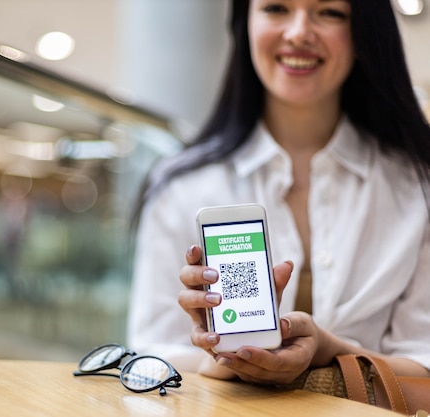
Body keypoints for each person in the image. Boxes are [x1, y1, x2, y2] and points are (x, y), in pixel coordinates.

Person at [127, 0, 430, 385]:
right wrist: (219, 360)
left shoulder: (418, 186)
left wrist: (329, 349)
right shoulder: (181, 187)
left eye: (330, 12)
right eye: (275, 8)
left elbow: (424, 365)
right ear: (245, 25)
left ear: (364, 33)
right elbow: (152, 355)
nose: (299, 32)